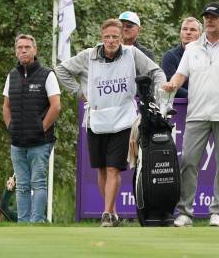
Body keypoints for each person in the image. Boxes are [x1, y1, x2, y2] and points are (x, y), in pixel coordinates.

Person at [55, 19, 165, 227]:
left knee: (114, 168)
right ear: (102, 37)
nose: (111, 41)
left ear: (121, 37)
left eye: (115, 36)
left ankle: (105, 213)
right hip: (96, 119)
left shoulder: (131, 53)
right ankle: (112, 213)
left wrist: (159, 95)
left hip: (123, 119)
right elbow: (61, 70)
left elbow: (156, 72)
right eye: (107, 37)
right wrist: (79, 92)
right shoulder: (89, 56)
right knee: (102, 170)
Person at [163, 2, 219, 227]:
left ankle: (218, 212)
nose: (209, 20)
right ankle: (185, 212)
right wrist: (171, 84)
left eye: (214, 17)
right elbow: (180, 76)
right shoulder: (192, 48)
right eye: (206, 17)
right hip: (197, 114)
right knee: (188, 162)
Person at [2, 34, 61, 222]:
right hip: (17, 142)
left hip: (40, 141)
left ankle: (36, 223)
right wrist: (11, 127)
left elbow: (56, 106)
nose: (23, 50)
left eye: (27, 47)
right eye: (19, 47)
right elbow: (6, 106)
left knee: (38, 183)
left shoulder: (47, 74)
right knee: (22, 185)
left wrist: (41, 128)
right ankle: (23, 223)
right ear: (15, 51)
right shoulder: (12, 76)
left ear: (35, 50)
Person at [161, 17, 202, 98]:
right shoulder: (170, 56)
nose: (188, 32)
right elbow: (170, 85)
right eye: (184, 29)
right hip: (179, 105)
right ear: (180, 32)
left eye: (193, 30)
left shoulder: (205, 56)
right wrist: (195, 96)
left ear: (200, 34)